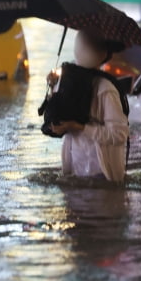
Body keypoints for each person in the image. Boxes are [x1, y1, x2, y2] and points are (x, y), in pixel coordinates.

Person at [46, 30, 130, 183]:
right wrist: (52, 86)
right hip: (75, 171)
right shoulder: (67, 84)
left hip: (102, 172)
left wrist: (79, 127)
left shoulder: (105, 88)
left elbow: (119, 134)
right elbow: (55, 118)